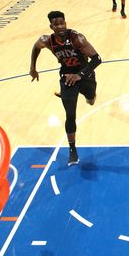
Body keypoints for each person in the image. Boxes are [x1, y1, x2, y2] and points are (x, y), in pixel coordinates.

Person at [29, 11, 102, 166]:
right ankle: (72, 150)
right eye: (56, 24)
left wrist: (79, 75)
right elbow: (36, 48)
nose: (60, 26)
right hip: (67, 78)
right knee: (70, 115)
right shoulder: (47, 40)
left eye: (62, 23)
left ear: (65, 23)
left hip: (85, 74)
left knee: (91, 101)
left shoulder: (77, 38)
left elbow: (97, 59)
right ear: (51, 26)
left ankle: (88, 96)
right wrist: (33, 68)